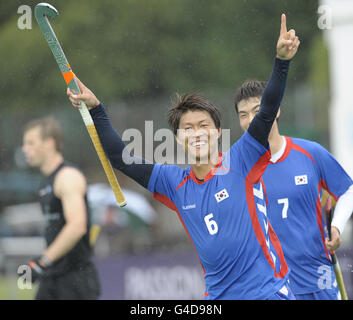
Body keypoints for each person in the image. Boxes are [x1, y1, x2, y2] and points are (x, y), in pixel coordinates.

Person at [67, 14, 299, 300]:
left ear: (217, 132)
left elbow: (266, 112)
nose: (197, 133)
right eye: (188, 128)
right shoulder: (172, 181)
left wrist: (282, 62)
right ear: (178, 138)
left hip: (268, 294)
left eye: (203, 126)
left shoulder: (242, 159)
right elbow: (121, 157)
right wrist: (95, 108)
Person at [234, 79, 353, 299]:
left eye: (257, 111)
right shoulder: (237, 168)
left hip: (319, 279)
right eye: (243, 114)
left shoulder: (311, 153)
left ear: (275, 109)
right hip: (270, 287)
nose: (251, 120)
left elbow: (348, 191)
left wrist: (336, 227)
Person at [22, 116, 101, 300]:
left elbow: (77, 226)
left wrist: (42, 262)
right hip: (53, 276)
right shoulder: (45, 182)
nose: (25, 149)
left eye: (31, 143)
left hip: (74, 280)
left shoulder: (67, 177)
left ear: (49, 143)